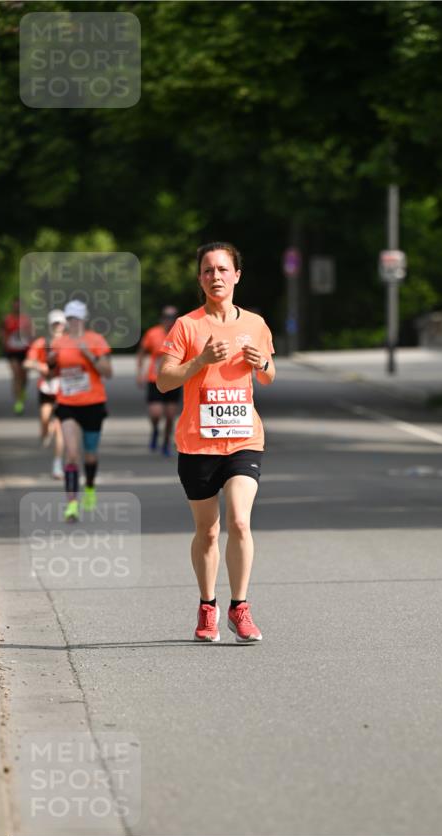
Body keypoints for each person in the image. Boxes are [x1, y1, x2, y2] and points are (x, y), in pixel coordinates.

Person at [158, 242, 275, 643]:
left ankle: (240, 607)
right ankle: (207, 606)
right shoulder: (187, 326)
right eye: (208, 270)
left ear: (236, 275)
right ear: (200, 278)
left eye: (223, 269)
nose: (215, 277)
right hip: (198, 443)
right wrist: (200, 361)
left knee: (240, 520)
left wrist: (262, 363)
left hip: (244, 439)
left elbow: (268, 375)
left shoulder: (256, 324)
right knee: (208, 531)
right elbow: (164, 380)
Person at [30, 300, 112, 521]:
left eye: (76, 318)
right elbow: (50, 375)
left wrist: (89, 355)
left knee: (90, 455)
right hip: (67, 404)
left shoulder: (96, 340)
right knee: (72, 454)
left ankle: (90, 487)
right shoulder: (59, 343)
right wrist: (51, 363)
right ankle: (72, 504)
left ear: (84, 319)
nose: (73, 322)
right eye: (70, 319)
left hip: (93, 404)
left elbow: (108, 372)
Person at [24, 309, 66, 479]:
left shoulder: (70, 343)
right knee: (44, 418)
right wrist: (39, 366)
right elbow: (27, 362)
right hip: (47, 387)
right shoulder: (41, 343)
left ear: (64, 325)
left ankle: (57, 465)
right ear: (50, 325)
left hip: (64, 389)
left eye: (60, 323)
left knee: (60, 428)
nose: (57, 326)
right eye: (55, 323)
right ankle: (45, 432)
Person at [136, 305, 181, 456]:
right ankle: (155, 430)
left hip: (173, 379)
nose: (169, 320)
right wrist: (139, 373)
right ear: (162, 318)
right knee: (155, 413)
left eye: (172, 317)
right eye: (166, 317)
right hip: (154, 379)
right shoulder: (153, 333)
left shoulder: (181, 333)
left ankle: (166, 442)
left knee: (170, 416)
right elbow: (141, 352)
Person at [0, 297, 34, 414]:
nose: (17, 307)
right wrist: (4, 344)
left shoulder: (27, 319)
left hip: (24, 351)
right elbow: (2, 332)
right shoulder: (7, 319)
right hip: (12, 351)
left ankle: (21, 391)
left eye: (19, 305)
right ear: (13, 306)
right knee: (16, 375)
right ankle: (18, 401)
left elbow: (32, 334)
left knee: (24, 376)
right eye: (15, 305)